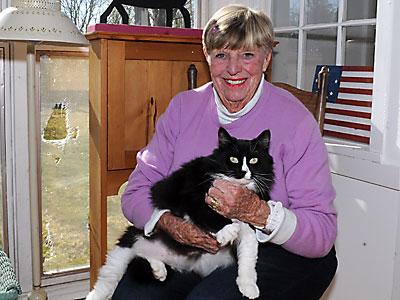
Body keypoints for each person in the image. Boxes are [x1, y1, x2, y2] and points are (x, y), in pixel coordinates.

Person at [113, 4, 337, 299]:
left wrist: (257, 213)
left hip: (281, 248)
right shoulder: (183, 108)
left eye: (247, 55)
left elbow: (321, 232)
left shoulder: (296, 121)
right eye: (221, 55)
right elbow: (135, 192)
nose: (233, 69)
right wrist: (169, 222)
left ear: (266, 58)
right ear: (207, 57)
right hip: (199, 243)